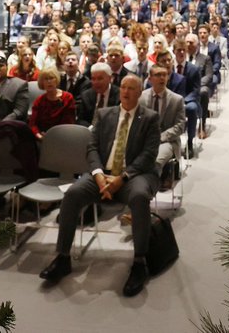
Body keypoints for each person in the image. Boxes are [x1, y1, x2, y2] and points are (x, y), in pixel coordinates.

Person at [39, 75, 161, 297]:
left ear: (139, 92)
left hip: (134, 175)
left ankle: (139, 263)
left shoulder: (150, 118)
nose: (125, 91)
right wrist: (98, 175)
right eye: (123, 87)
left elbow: (148, 155)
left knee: (140, 197)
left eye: (131, 88)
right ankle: (63, 257)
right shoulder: (105, 114)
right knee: (73, 193)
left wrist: (122, 178)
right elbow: (91, 147)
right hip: (101, 175)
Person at [140, 62, 186, 167]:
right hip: (144, 140)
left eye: (164, 75)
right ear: (150, 78)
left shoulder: (176, 99)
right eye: (158, 75)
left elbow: (180, 127)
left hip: (167, 141)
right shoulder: (141, 97)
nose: (162, 78)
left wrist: (160, 138)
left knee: (155, 162)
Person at [28, 67, 75, 140]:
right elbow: (32, 124)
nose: (49, 81)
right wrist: (39, 136)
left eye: (51, 78)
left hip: (63, 137)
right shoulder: (39, 101)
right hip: (42, 137)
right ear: (42, 82)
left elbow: (69, 123)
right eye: (46, 79)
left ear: (56, 79)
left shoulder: (67, 98)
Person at [76, 62, 119, 128]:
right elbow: (81, 119)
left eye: (100, 78)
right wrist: (91, 128)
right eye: (93, 79)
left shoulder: (119, 95)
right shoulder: (86, 95)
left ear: (110, 79)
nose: (96, 82)